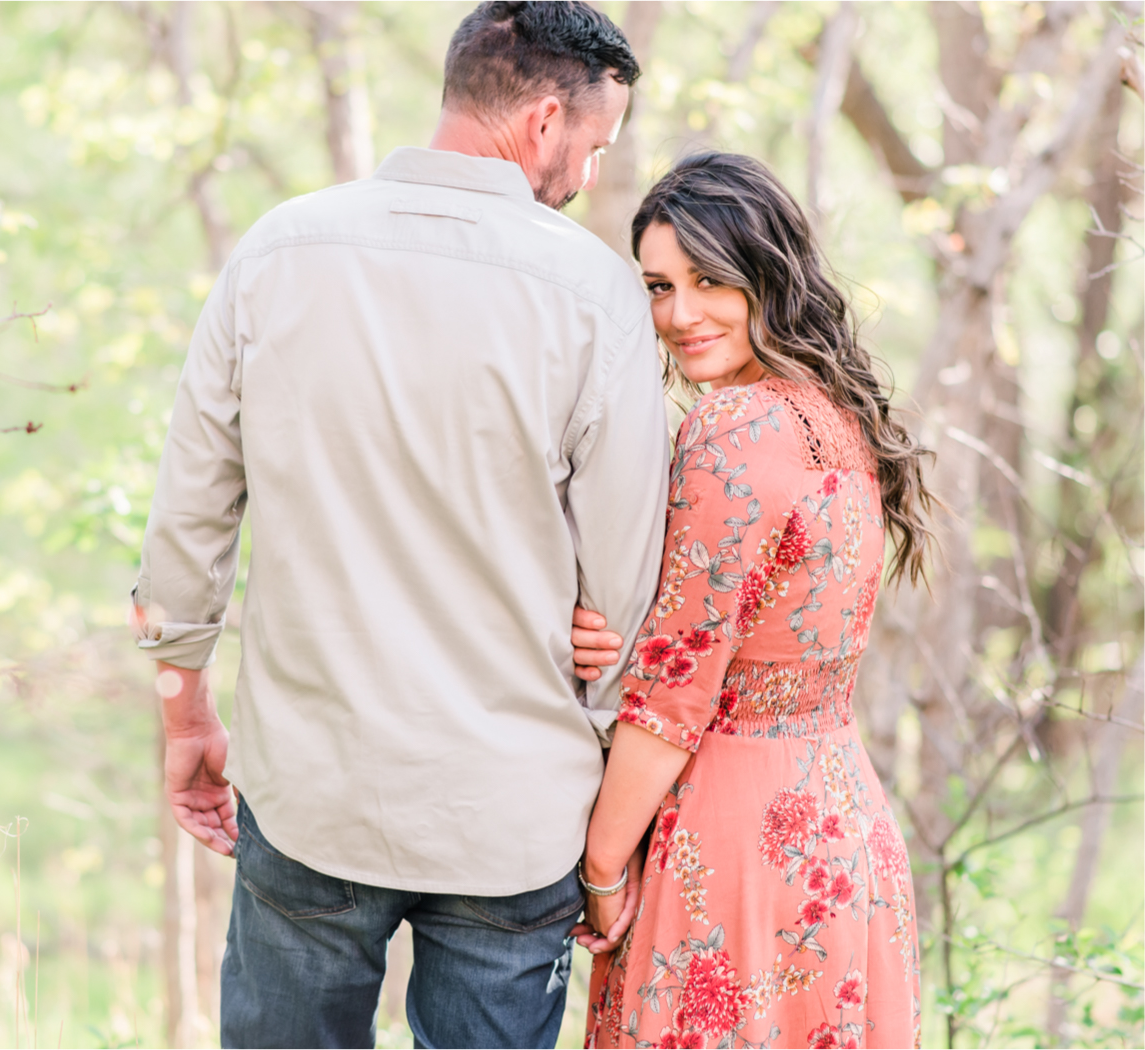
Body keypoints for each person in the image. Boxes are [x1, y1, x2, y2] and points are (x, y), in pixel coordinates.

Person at [131, 3, 672, 1046]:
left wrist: (183, 710)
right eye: (592, 147)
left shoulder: (277, 252)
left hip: (314, 798)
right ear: (544, 117)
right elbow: (626, 586)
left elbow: (189, 514)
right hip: (513, 821)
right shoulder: (596, 295)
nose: (589, 176)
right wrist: (603, 759)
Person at [569, 153, 930, 1049]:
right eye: (659, 286)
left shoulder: (733, 427)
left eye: (709, 280)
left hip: (734, 852)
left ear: (768, 272)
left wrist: (604, 864)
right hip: (842, 834)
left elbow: (678, 685)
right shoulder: (836, 415)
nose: (680, 314)